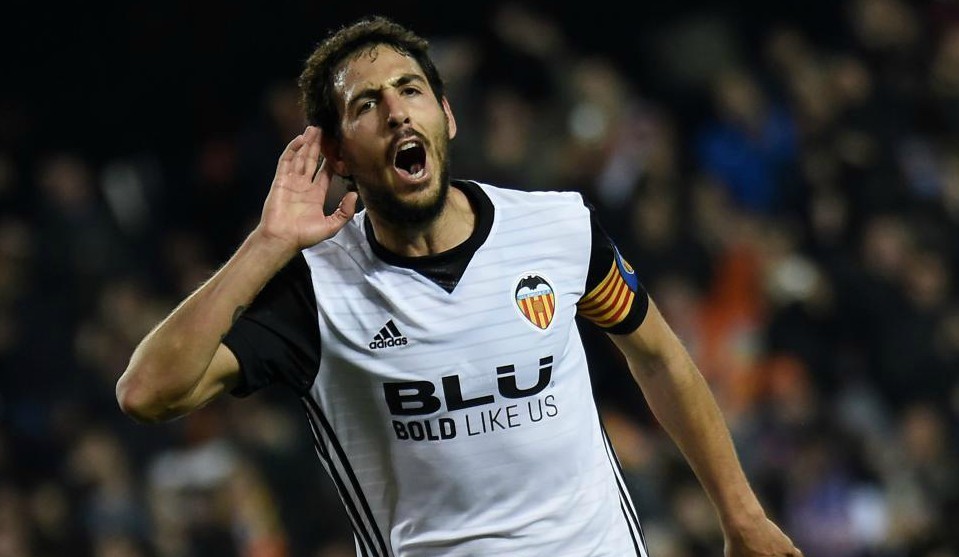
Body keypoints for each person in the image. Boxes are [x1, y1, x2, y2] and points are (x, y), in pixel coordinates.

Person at [116, 15, 803, 557]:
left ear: (447, 116)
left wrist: (740, 513)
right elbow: (149, 392)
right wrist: (265, 245)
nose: (395, 112)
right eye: (366, 104)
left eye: (410, 90)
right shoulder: (313, 292)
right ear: (336, 154)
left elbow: (657, 355)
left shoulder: (555, 228)